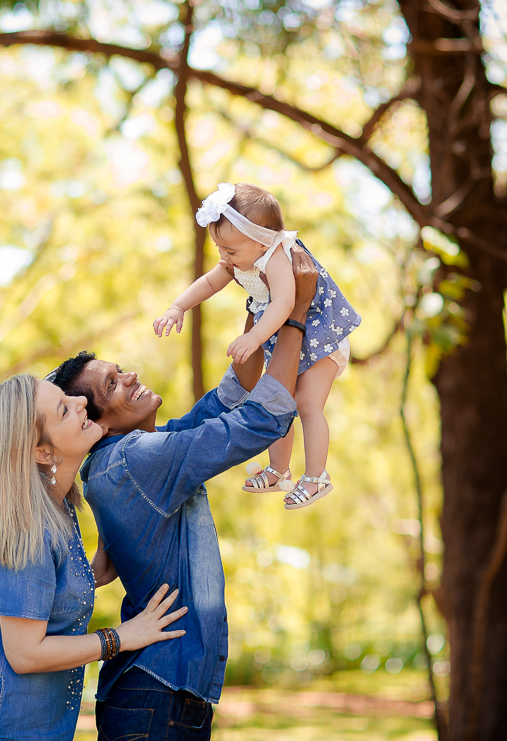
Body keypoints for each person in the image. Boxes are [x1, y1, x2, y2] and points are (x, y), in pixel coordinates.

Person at [46, 253, 319, 740]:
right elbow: (261, 419)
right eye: (113, 382)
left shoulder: (132, 458)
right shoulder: (135, 462)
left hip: (157, 692)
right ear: (98, 421)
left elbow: (231, 397)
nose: (129, 375)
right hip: (156, 694)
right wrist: (294, 313)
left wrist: (261, 305)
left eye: (120, 369)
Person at [0, 374, 188, 741]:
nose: (81, 403)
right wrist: (121, 638)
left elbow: (56, 588)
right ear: (43, 452)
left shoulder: (56, 507)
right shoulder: (25, 525)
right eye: (64, 409)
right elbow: (25, 654)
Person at [154, 182, 361, 509]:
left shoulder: (277, 257)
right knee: (282, 400)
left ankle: (317, 475)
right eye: (220, 249)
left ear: (263, 241)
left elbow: (284, 302)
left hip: (322, 336)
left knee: (307, 404)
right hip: (290, 337)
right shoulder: (240, 259)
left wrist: (253, 337)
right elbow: (210, 281)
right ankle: (279, 469)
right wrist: (178, 306)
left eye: (231, 251)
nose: (225, 258)